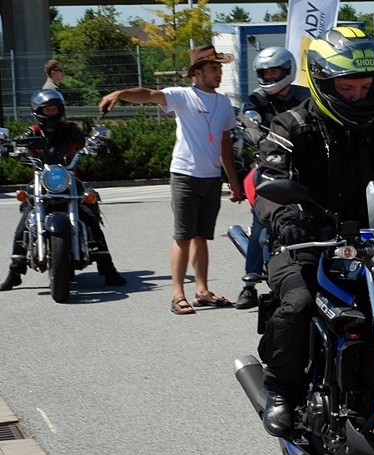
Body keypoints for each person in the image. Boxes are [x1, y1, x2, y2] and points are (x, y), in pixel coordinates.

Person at [252, 27, 374, 437]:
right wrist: (287, 218)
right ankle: (282, 389)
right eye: (347, 87)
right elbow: (268, 182)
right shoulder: (291, 126)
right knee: (300, 301)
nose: (358, 95)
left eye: (366, 86)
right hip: (310, 240)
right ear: (324, 83)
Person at [98, 44, 244, 314]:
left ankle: (202, 291)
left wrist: (233, 181)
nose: (219, 73)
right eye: (214, 68)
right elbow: (149, 95)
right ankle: (178, 295)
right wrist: (120, 93)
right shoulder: (182, 96)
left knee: (202, 237)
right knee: (183, 237)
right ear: (197, 72)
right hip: (185, 176)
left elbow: (225, 144)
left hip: (211, 179)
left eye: (220, 68)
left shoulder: (223, 103)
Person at [1, 89, 125, 291]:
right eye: (47, 109)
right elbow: (19, 142)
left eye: (54, 108)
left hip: (68, 178)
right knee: (25, 221)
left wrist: (96, 145)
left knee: (90, 218)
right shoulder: (33, 132)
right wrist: (9, 146)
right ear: (39, 112)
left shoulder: (70, 130)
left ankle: (108, 268)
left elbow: (84, 141)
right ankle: (15, 272)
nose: (52, 112)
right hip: (41, 180)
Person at [234, 46, 309, 310]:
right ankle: (249, 284)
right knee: (261, 222)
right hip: (270, 166)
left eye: (274, 71)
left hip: (305, 165)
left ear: (287, 70)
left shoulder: (305, 95)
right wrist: (252, 131)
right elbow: (247, 121)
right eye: (264, 73)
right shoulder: (257, 100)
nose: (268, 77)